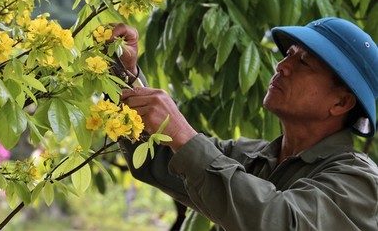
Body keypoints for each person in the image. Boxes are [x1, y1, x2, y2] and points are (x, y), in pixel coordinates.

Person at [112, 17, 378, 230]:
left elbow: (281, 221)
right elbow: (156, 158)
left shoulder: (358, 180)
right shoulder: (253, 158)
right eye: (288, 55)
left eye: (304, 62)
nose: (282, 66)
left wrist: (181, 132)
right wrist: (123, 72)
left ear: (341, 103)